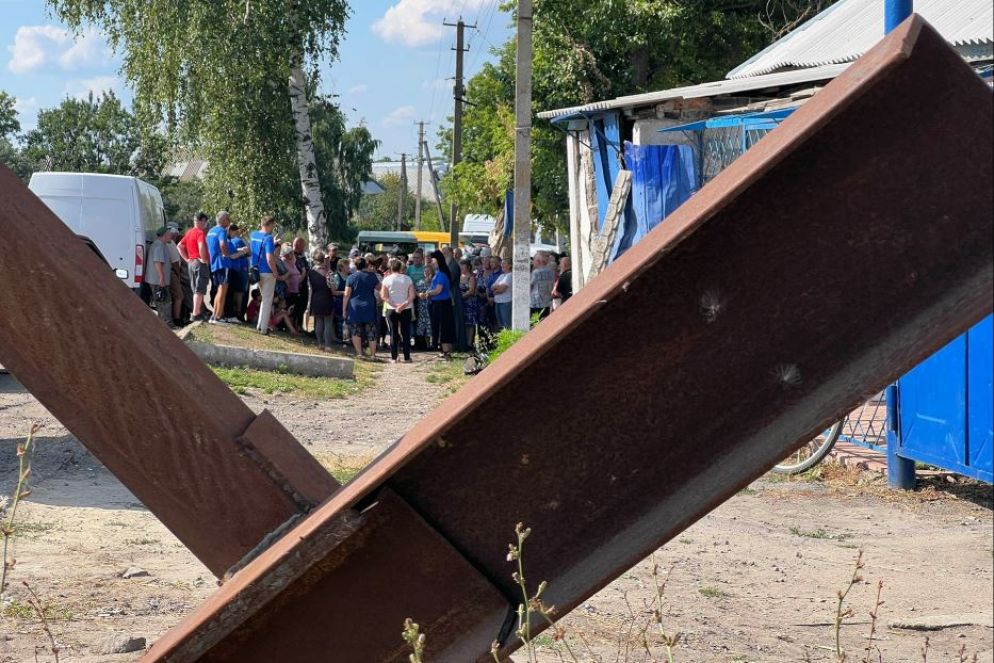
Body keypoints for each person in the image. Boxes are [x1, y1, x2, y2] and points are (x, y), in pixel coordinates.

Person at [207, 211, 244, 324]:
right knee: (223, 291)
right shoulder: (222, 231)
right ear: (224, 220)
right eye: (228, 219)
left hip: (214, 263)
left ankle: (214, 316)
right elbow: (222, 244)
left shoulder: (210, 231)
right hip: (223, 264)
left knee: (219, 290)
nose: (229, 221)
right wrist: (226, 254)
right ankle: (218, 317)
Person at [342, 257, 381, 360]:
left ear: (356, 266)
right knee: (371, 330)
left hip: (355, 307)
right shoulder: (372, 276)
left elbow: (346, 294)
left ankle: (360, 354)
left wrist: (344, 309)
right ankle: (373, 355)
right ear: (366, 265)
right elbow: (380, 288)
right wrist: (380, 299)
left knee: (355, 330)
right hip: (369, 306)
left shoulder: (351, 277)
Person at [420, 251, 456, 358]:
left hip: (441, 305)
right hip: (438, 304)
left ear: (438, 261)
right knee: (440, 326)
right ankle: (444, 350)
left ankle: (446, 351)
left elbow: (438, 290)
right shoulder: (438, 273)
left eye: (433, 260)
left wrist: (427, 293)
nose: (431, 262)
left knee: (442, 327)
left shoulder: (441, 274)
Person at [381, 258, 416, 363]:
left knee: (393, 333)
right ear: (401, 268)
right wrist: (403, 305)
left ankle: (394, 357)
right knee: (406, 333)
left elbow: (384, 296)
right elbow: (412, 296)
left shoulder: (387, 279)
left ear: (391, 268)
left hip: (392, 309)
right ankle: (407, 357)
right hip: (406, 308)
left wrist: (395, 305)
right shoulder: (408, 279)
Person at [178, 211, 210, 322]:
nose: (206, 224)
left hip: (191, 263)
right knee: (199, 289)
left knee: (195, 288)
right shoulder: (200, 233)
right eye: (205, 221)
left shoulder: (189, 232)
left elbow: (179, 246)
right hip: (199, 263)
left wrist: (187, 259)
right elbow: (201, 246)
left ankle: (197, 311)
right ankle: (196, 313)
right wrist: (204, 259)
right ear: (202, 221)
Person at [250, 216, 279, 335]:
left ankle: (260, 325)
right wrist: (275, 271)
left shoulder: (253, 235)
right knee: (267, 300)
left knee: (264, 298)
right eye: (273, 225)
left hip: (256, 270)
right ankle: (263, 329)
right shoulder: (268, 238)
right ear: (269, 224)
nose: (273, 228)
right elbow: (269, 258)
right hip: (267, 271)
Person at [146, 226, 176, 328]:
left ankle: (162, 325)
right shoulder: (159, 246)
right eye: (169, 234)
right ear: (164, 235)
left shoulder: (161, 245)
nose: (171, 236)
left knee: (162, 302)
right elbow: (158, 262)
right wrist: (161, 278)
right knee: (165, 302)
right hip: (158, 281)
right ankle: (167, 325)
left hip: (158, 280)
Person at [308, 250, 337, 352]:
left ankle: (320, 343)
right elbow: (333, 288)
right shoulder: (329, 273)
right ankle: (328, 345)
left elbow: (310, 287)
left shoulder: (310, 272)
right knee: (328, 322)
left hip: (316, 297)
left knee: (319, 321)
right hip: (327, 297)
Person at [226, 224, 251, 321]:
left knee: (234, 292)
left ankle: (235, 312)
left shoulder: (231, 240)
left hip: (235, 268)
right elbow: (249, 252)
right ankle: (238, 313)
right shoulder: (239, 240)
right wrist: (244, 238)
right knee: (240, 292)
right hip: (241, 269)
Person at [165, 224, 185, 326]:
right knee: (179, 296)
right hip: (172, 272)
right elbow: (175, 263)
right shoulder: (171, 243)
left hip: (166, 272)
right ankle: (177, 319)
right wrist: (178, 275)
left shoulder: (163, 242)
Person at [459, 259, 480, 348]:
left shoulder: (471, 277)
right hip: (461, 303)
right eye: (460, 265)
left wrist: (461, 297)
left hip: (470, 303)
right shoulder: (459, 276)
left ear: (468, 267)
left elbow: (471, 291)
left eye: (463, 265)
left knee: (470, 323)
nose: (461, 267)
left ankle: (469, 343)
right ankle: (464, 341)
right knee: (464, 323)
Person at [530, 250, 555, 320]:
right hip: (547, 301)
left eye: (534, 260)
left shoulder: (536, 272)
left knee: (535, 323)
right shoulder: (551, 272)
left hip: (535, 303)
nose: (532, 262)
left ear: (538, 261)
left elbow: (530, 286)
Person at [280, 244, 302, 322]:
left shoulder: (292, 261)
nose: (292, 254)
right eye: (290, 253)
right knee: (288, 307)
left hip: (296, 290)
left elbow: (297, 273)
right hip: (289, 289)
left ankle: (292, 324)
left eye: (292, 253)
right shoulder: (283, 261)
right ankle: (285, 324)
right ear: (285, 254)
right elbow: (286, 273)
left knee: (294, 308)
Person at [330, 257, 349, 345]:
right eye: (347, 265)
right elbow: (333, 291)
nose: (348, 267)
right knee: (338, 320)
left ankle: (346, 338)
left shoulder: (350, 277)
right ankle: (338, 338)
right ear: (341, 267)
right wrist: (345, 292)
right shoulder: (335, 276)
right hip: (338, 302)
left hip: (348, 303)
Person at [292, 237, 310, 333]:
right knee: (297, 306)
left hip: (304, 285)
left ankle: (299, 325)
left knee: (303, 305)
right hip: (297, 285)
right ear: (299, 245)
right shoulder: (292, 256)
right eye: (303, 245)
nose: (304, 248)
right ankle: (294, 325)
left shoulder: (302, 256)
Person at [492, 258, 513, 330]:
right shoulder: (501, 276)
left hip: (505, 302)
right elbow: (492, 287)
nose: (502, 265)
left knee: (506, 324)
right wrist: (498, 288)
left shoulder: (510, 275)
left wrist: (496, 289)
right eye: (502, 263)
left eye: (504, 263)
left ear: (510, 265)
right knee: (500, 325)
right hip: (498, 302)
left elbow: (502, 289)